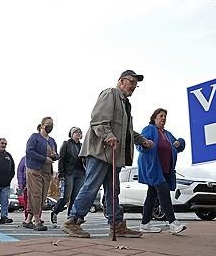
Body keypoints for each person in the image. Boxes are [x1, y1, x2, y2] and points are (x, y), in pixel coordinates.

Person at [61, 69, 154, 238]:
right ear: (121, 81)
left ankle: (116, 224)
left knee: (113, 191)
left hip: (113, 155)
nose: (134, 86)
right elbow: (98, 120)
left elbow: (127, 131)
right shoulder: (110, 93)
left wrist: (142, 140)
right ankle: (73, 221)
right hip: (100, 151)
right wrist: (108, 135)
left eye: (136, 84)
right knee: (91, 186)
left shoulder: (126, 104)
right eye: (131, 82)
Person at [137, 108, 186, 234]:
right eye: (161, 116)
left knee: (151, 196)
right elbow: (139, 144)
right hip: (153, 168)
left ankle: (145, 224)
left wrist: (179, 142)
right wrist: (145, 144)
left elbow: (180, 145)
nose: (163, 118)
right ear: (154, 118)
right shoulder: (150, 129)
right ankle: (173, 223)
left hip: (165, 170)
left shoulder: (167, 134)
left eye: (165, 116)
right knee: (163, 192)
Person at [22, 117, 58, 231]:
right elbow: (29, 151)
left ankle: (28, 220)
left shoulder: (52, 141)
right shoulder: (35, 137)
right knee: (35, 194)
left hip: (47, 171)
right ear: (42, 125)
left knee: (42, 197)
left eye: (52, 124)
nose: (50, 126)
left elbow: (56, 155)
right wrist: (44, 159)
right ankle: (37, 221)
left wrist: (54, 156)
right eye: (48, 124)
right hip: (34, 169)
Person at [51, 126, 85, 224]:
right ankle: (55, 211)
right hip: (69, 172)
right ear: (71, 134)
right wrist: (61, 173)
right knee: (66, 197)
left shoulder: (82, 146)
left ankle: (71, 219)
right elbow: (61, 159)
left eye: (80, 132)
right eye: (76, 132)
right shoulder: (66, 144)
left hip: (80, 173)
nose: (78, 134)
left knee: (75, 197)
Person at [17, 156, 29, 221]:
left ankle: (37, 218)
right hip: (26, 184)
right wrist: (21, 184)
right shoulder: (24, 159)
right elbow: (20, 171)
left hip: (38, 182)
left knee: (38, 201)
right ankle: (27, 218)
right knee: (27, 202)